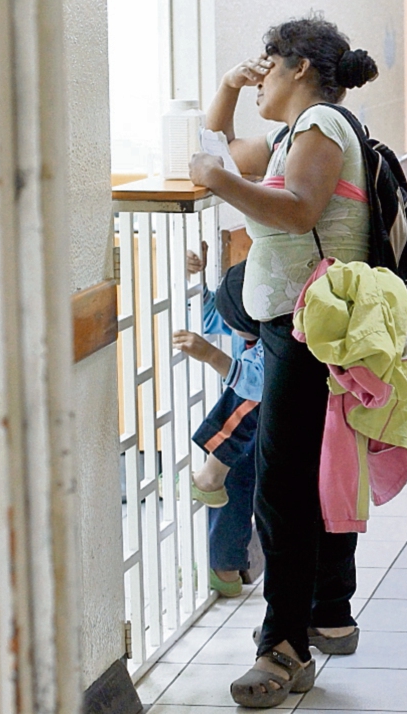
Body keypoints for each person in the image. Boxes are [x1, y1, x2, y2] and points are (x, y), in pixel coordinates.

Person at [188, 16, 380, 708]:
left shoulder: (322, 126)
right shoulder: (298, 133)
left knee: (284, 489)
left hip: (306, 331)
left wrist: (215, 183)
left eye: (266, 64)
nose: (258, 73)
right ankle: (320, 617)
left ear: (300, 67)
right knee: (306, 478)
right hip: (296, 326)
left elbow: (297, 209)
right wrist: (226, 90)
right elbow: (224, 154)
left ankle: (284, 646)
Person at [173, 250, 263, 598]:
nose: (228, 327)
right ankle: (223, 566)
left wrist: (213, 355)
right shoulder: (249, 320)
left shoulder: (273, 342)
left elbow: (256, 383)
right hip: (250, 432)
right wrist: (197, 280)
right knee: (234, 476)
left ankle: (222, 563)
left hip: (270, 425)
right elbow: (210, 314)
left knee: (242, 406)